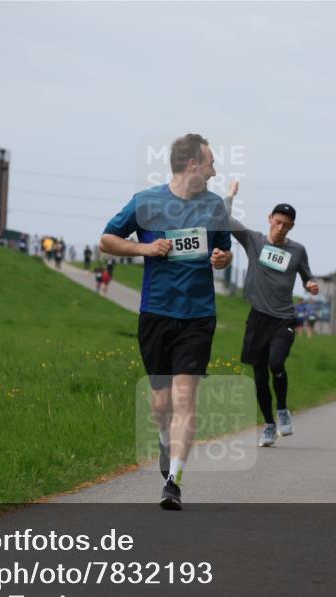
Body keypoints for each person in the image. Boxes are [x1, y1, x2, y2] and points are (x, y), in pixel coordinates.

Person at [99, 133, 233, 510]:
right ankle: (163, 437)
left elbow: (225, 251)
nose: (214, 170)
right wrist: (144, 248)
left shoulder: (215, 207)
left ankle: (174, 481)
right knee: (161, 404)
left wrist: (224, 259)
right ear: (192, 164)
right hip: (157, 314)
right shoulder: (146, 202)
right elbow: (107, 240)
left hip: (198, 316)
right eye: (210, 162)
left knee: (185, 396)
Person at [223, 181, 318, 447]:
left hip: (284, 318)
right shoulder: (253, 240)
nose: (281, 227)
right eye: (278, 222)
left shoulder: (297, 250)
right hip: (257, 317)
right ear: (270, 219)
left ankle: (283, 409)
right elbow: (223, 219)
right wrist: (230, 195)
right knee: (260, 376)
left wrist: (310, 283)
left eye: (286, 225)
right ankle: (267, 424)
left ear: (292, 227)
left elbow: (307, 275)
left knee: (276, 363)